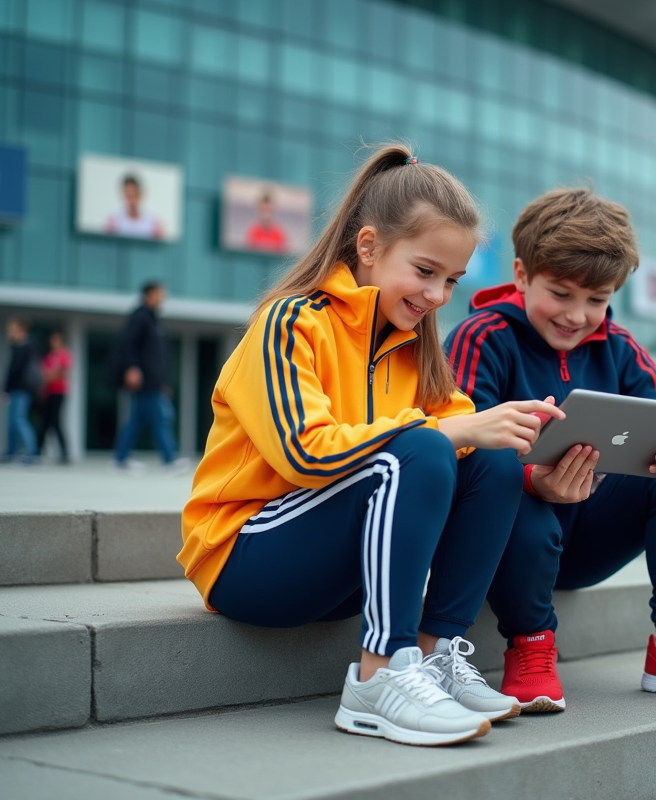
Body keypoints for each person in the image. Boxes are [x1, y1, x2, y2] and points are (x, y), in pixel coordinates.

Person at [180, 145, 565, 747]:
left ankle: (433, 657)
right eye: (425, 271)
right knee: (429, 445)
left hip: (339, 566)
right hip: (246, 556)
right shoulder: (290, 324)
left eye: (452, 280)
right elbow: (306, 454)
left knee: (488, 457)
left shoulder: (415, 350)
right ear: (368, 247)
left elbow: (466, 437)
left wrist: (523, 435)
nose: (439, 296)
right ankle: (378, 678)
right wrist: (447, 432)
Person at [445, 187, 656, 714]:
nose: (578, 315)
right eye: (561, 293)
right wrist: (533, 480)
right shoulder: (482, 337)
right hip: (507, 547)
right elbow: (456, 440)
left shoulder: (619, 347)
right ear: (521, 274)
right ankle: (530, 646)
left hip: (589, 538)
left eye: (597, 300)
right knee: (511, 488)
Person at [113, 281, 187, 473]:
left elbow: (158, 357)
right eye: (159, 294)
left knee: (137, 421)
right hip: (145, 380)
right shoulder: (140, 317)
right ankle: (170, 459)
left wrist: (164, 383)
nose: (162, 298)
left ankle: (121, 459)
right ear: (149, 295)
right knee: (162, 418)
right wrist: (132, 367)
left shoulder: (155, 321)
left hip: (154, 381)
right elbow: (127, 343)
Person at [0, 317, 41, 464]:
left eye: (13, 330)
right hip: (17, 389)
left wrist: (6, 388)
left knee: (19, 421)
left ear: (22, 329)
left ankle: (31, 454)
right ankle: (11, 453)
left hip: (22, 389)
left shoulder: (25, 346)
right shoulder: (21, 346)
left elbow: (15, 370)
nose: (10, 333)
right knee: (12, 422)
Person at [39, 330, 72, 464]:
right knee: (46, 422)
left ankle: (64, 453)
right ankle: (37, 450)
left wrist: (50, 375)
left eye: (55, 340)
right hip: (48, 392)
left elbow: (60, 372)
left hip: (59, 392)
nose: (53, 343)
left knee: (55, 422)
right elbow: (43, 373)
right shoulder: (49, 356)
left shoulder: (64, 354)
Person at [105, 174, 163, 240]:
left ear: (140, 194)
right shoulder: (114, 221)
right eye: (128, 196)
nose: (131, 201)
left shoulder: (154, 223)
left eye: (134, 196)